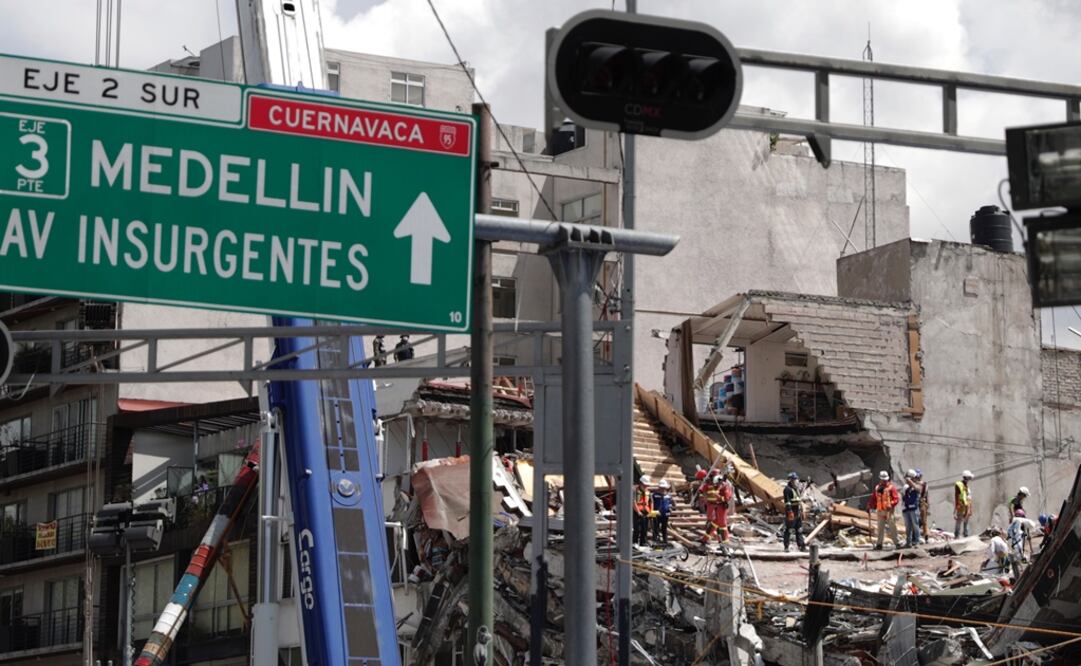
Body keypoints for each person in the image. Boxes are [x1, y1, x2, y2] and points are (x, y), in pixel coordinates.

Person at [869, 470, 902, 550]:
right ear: (880, 479)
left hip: (889, 512)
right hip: (880, 511)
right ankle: (879, 544)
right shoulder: (877, 488)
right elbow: (873, 498)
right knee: (880, 528)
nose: (884, 481)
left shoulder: (891, 488)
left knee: (892, 527)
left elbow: (896, 498)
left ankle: (897, 543)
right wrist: (869, 506)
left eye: (885, 479)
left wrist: (891, 504)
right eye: (883, 479)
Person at [703, 471, 734, 543]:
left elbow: (726, 498)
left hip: (722, 507)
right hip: (717, 506)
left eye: (717, 484)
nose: (716, 485)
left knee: (722, 525)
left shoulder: (725, 486)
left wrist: (718, 497)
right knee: (714, 522)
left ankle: (725, 543)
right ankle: (705, 539)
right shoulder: (718, 484)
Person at [782, 472, 805, 552]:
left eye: (797, 479)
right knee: (789, 529)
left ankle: (801, 546)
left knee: (799, 529)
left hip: (797, 511)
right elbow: (787, 502)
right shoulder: (787, 489)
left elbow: (799, 500)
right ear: (791, 480)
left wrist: (802, 511)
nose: (797, 481)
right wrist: (789, 512)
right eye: (795, 479)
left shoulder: (796, 489)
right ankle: (786, 547)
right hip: (791, 511)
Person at [901, 469, 921, 548]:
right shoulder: (905, 487)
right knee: (908, 526)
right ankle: (908, 542)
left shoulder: (917, 485)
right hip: (906, 509)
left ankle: (917, 541)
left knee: (915, 525)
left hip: (913, 509)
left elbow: (918, 489)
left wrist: (911, 483)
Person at [651, 479, 675, 545]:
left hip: (665, 514)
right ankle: (655, 541)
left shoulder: (668, 495)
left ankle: (665, 541)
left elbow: (672, 504)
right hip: (656, 514)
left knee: (664, 528)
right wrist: (652, 513)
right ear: (659, 487)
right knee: (656, 528)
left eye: (663, 487)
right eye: (661, 487)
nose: (662, 489)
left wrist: (670, 508)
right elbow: (651, 504)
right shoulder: (654, 495)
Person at [634, 475, 653, 547]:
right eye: (645, 485)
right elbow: (634, 502)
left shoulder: (648, 492)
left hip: (646, 512)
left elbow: (651, 502)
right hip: (637, 512)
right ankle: (635, 542)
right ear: (641, 483)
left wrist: (651, 512)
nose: (646, 487)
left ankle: (643, 543)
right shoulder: (635, 491)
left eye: (647, 485)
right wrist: (638, 511)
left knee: (644, 529)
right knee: (637, 529)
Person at [954, 470, 974, 538]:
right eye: (968, 478)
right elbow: (957, 496)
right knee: (959, 521)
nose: (969, 480)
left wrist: (970, 508)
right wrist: (957, 507)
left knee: (966, 521)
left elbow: (969, 498)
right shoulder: (959, 485)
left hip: (967, 506)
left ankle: (966, 535)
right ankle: (957, 536)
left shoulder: (967, 487)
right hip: (961, 505)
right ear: (965, 477)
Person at [915, 469, 930, 543]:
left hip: (922, 503)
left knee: (924, 520)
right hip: (915, 503)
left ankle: (926, 536)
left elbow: (926, 495)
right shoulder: (913, 483)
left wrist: (927, 504)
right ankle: (916, 536)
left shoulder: (924, 484)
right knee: (916, 521)